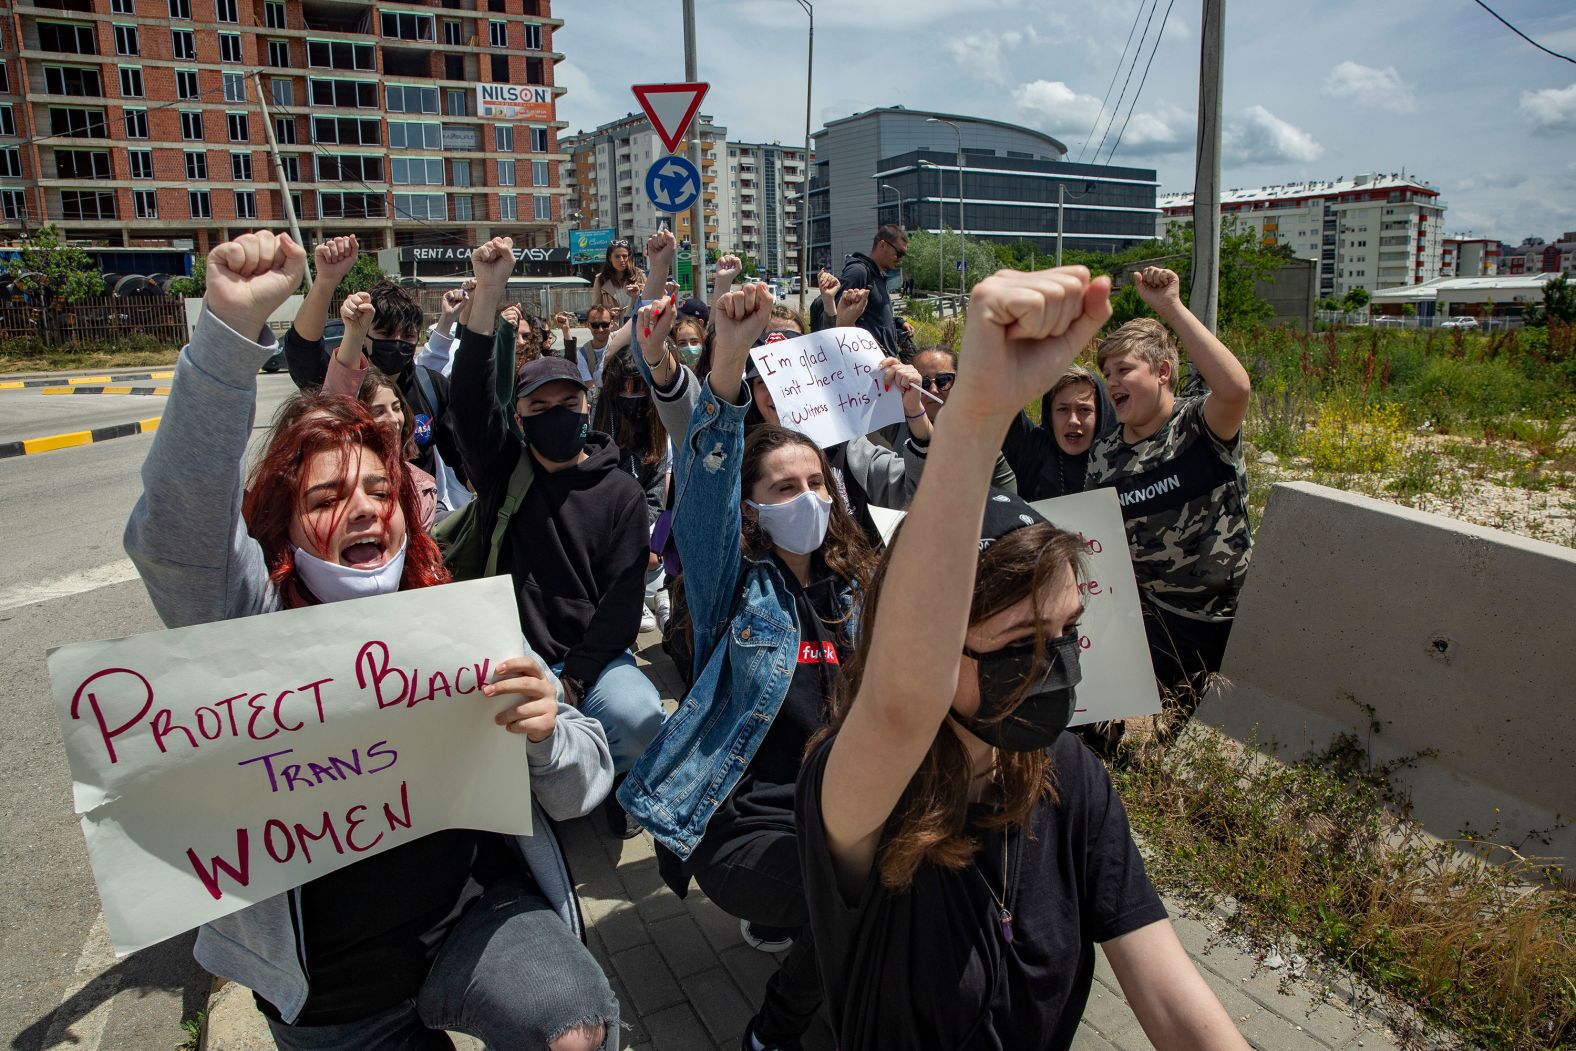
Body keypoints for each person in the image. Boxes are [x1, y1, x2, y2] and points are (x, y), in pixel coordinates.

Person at [124, 230, 619, 1051]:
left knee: (574, 1032)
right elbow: (175, 535)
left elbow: (582, 781)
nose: (362, 509)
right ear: (283, 524)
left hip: (473, 918)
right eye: (328, 496)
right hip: (330, 986)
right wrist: (226, 331)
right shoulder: (248, 622)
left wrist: (544, 734)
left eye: (380, 490)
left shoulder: (454, 618)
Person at [796, 265, 1250, 1051]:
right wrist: (975, 409)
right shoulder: (862, 785)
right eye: (1016, 644)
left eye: (1068, 632)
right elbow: (905, 705)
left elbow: (1177, 1005)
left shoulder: (1071, 779)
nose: (1053, 665)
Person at [619, 281, 899, 1051]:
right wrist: (730, 361)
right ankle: (776, 1031)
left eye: (815, 483)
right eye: (784, 487)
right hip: (745, 820)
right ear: (752, 507)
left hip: (840, 811)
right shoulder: (731, 587)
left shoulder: (856, 589)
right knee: (854, 889)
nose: (806, 496)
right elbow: (706, 481)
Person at [449, 236, 667, 820]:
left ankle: (614, 780)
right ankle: (538, 797)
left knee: (641, 719)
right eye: (537, 409)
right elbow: (468, 400)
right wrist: (489, 291)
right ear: (518, 419)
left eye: (566, 404)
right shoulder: (505, 470)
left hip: (594, 659)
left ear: (585, 405)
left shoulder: (620, 490)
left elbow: (623, 603)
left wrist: (575, 680)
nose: (555, 417)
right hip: (512, 655)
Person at [634, 232, 930, 534]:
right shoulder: (728, 447)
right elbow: (682, 405)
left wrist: (917, 416)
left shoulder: (848, 447)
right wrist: (656, 350)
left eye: (815, 482)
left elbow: (922, 491)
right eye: (763, 380)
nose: (779, 390)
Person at [1086, 266, 1253, 704]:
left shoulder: (1198, 426)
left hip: (1226, 617)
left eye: (1124, 369)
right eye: (1107, 373)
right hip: (1152, 620)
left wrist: (1171, 309)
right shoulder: (1104, 456)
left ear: (1162, 372)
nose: (1112, 381)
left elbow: (1235, 389)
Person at [282, 236, 467, 514]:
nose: (397, 342)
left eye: (407, 335)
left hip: (420, 518)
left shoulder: (431, 386)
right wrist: (326, 281)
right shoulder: (338, 381)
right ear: (366, 334)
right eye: (384, 333)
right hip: (353, 519)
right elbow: (301, 349)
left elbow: (462, 458)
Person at [319, 290, 440, 531]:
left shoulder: (421, 486)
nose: (393, 419)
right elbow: (336, 400)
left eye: (396, 408)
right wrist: (354, 331)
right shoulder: (339, 477)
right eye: (378, 411)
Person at [592, 347, 672, 636]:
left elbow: (656, 491)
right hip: (607, 518)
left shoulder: (656, 426)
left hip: (642, 517)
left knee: (657, 550)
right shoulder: (601, 422)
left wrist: (645, 533)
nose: (629, 393)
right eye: (622, 385)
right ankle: (626, 595)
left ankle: (657, 591)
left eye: (637, 385)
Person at [900, 346, 1017, 492]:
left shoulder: (980, 441)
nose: (934, 390)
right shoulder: (897, 425)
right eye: (923, 383)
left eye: (944, 380)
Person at [1001, 363, 1117, 501]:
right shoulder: (1032, 450)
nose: (1073, 420)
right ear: (1050, 417)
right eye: (1063, 409)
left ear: (1100, 415)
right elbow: (997, 386)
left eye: (1084, 410)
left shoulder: (1121, 456)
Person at [837, 224, 908, 360]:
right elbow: (836, 315)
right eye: (899, 253)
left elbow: (874, 316)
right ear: (883, 245)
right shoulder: (858, 272)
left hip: (883, 362)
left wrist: (898, 322)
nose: (900, 258)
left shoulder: (878, 276)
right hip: (865, 362)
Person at [589, 237, 644, 320]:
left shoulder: (639, 276)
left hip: (636, 326)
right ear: (610, 258)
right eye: (617, 256)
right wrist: (608, 313)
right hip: (613, 329)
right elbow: (595, 310)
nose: (622, 260)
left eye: (625, 256)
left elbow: (649, 302)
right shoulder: (601, 279)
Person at [565, 304, 616, 390]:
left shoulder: (620, 341)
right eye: (595, 325)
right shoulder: (582, 355)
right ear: (588, 325)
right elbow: (590, 387)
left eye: (605, 325)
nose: (600, 329)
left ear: (611, 324)